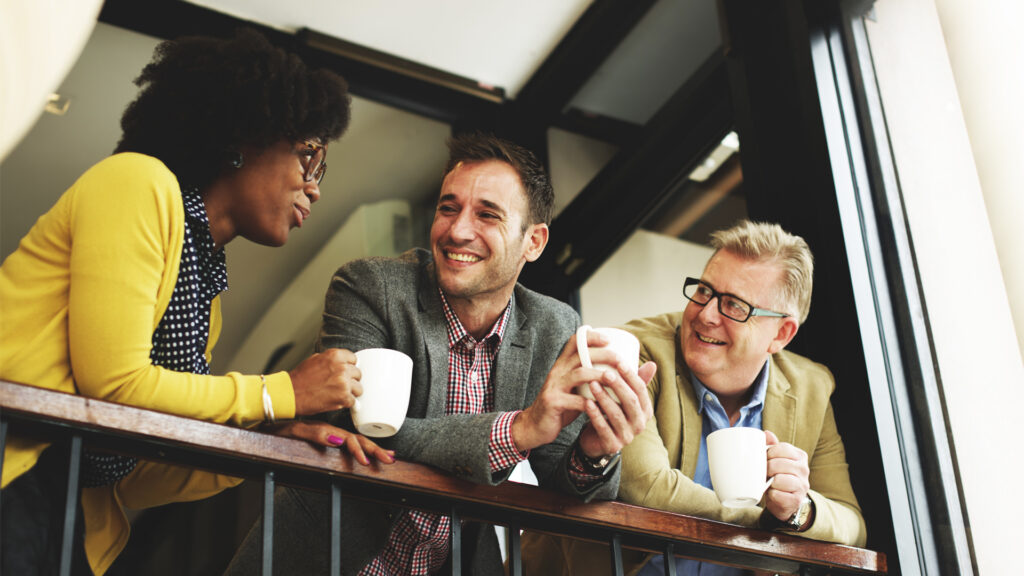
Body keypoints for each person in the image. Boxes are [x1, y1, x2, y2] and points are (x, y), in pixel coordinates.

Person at [0, 29, 361, 575]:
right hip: (17, 478)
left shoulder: (201, 280)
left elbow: (137, 468)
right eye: (309, 155)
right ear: (247, 136)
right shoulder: (136, 182)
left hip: (67, 508)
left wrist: (263, 439)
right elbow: (116, 385)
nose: (314, 187)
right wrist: (280, 392)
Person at [224, 132, 657, 575]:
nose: (457, 230)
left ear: (535, 242)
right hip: (322, 558)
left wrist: (595, 449)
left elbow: (567, 490)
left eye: (487, 214)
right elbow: (360, 436)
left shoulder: (554, 326)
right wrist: (520, 430)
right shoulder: (370, 287)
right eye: (448, 208)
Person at [521, 220, 867, 575]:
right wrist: (772, 516)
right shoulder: (634, 351)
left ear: (781, 333)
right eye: (704, 291)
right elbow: (648, 489)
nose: (705, 314)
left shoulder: (812, 387)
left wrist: (799, 509)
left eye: (734, 305)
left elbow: (851, 523)